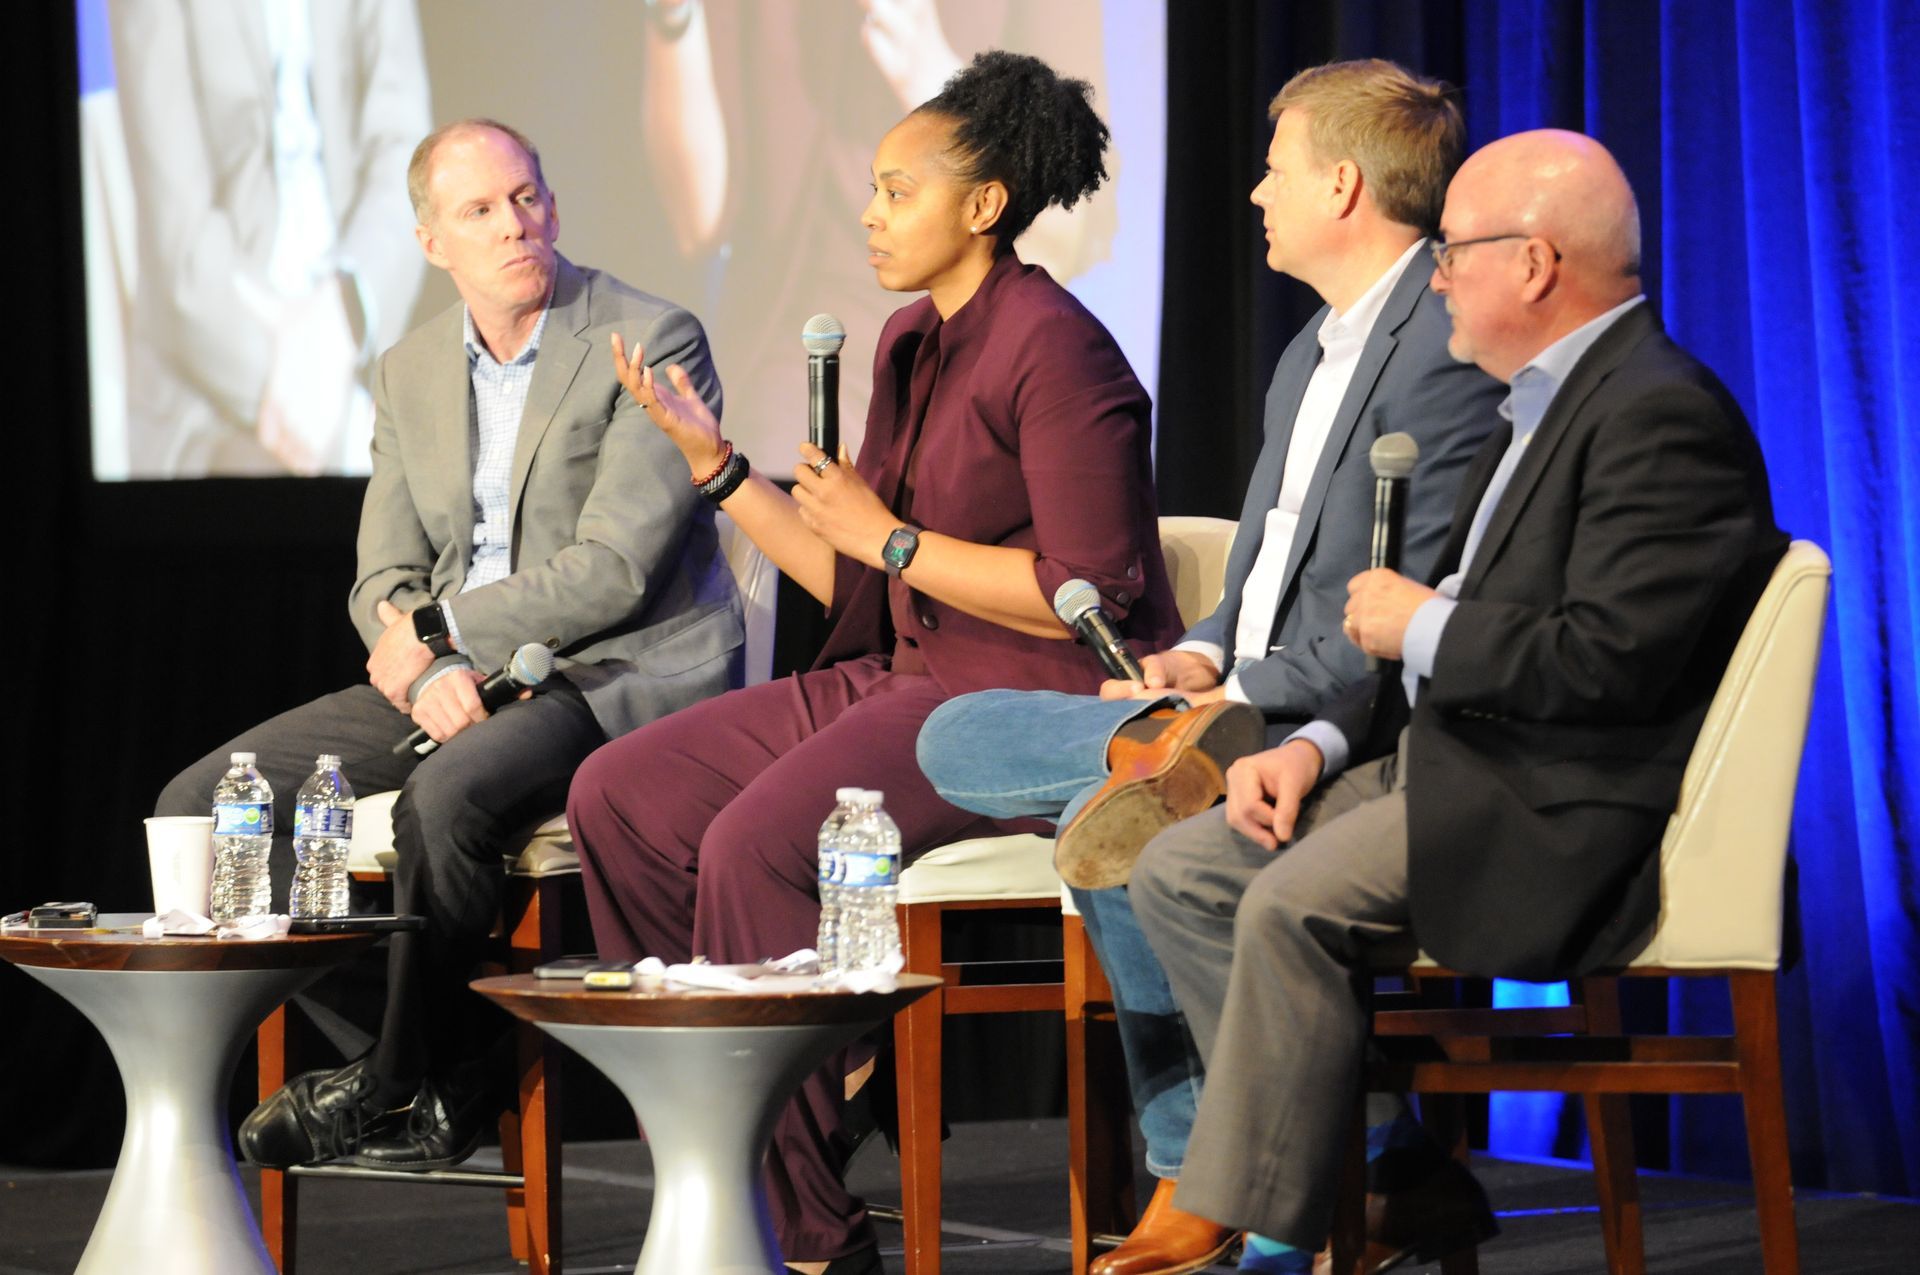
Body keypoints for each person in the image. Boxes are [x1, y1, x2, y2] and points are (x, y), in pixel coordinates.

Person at [1130, 130, 1788, 1274]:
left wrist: (1416, 622)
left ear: (1533, 263)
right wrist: (1323, 743)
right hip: (1446, 769)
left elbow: (1609, 663)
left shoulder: (1659, 415)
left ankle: (1267, 1237)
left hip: (1550, 806)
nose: (1436, 278)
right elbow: (1446, 650)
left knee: (1288, 902)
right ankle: (1379, 1184)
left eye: (1454, 254)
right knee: (1181, 869)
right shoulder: (1535, 401)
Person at [565, 51, 1180, 1274]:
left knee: (757, 846)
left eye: (898, 191)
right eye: (873, 188)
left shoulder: (1058, 348)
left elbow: (1089, 595)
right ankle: (729, 1143)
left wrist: (891, 535)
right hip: (901, 673)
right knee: (616, 797)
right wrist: (717, 468)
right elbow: (855, 577)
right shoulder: (909, 339)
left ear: (984, 205)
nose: (870, 213)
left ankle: (804, 1232)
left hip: (1018, 700)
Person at [913, 59, 1503, 1274]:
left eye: (1276, 167)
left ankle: (1198, 1164)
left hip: (1342, 721)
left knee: (1116, 813)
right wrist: (1193, 657)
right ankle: (1380, 1148)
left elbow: (1401, 612)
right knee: (959, 735)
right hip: (1230, 703)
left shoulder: (1442, 350)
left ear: (1341, 185)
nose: (1251, 193)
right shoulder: (1307, 354)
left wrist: (1243, 698)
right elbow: (1261, 578)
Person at [154, 119, 741, 1171]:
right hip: (446, 673)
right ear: (433, 242)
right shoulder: (409, 368)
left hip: (606, 669)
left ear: (553, 205)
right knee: (201, 808)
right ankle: (445, 1054)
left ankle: (388, 1086)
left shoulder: (648, 338)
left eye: (528, 197)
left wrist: (439, 634)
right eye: (480, 210)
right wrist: (424, 662)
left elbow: (613, 569)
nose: (515, 225)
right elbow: (380, 573)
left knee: (447, 803)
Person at [108, 0, 431, 476]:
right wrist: (322, 411)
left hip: (352, 347)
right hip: (213, 381)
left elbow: (407, 156)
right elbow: (182, 247)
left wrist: (345, 311)